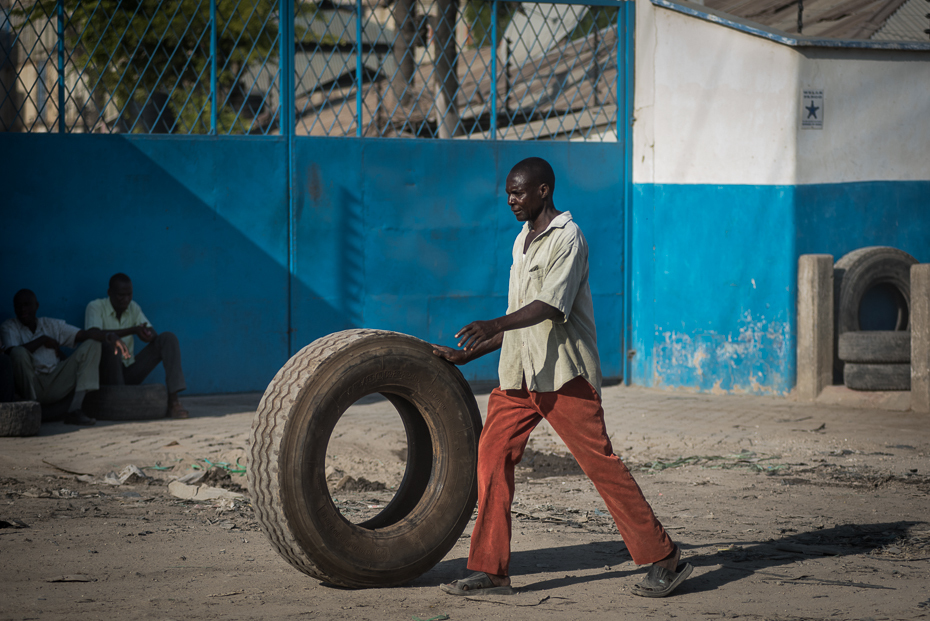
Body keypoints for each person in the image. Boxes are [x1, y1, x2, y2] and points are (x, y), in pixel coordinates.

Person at [432, 157, 692, 598]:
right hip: (518, 378)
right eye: (508, 194)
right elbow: (522, 320)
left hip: (563, 377)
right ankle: (491, 572)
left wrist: (493, 324)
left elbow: (551, 307)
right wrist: (469, 352)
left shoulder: (567, 238)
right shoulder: (522, 241)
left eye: (518, 192)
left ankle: (666, 559)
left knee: (600, 466)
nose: (511, 200)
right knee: (491, 460)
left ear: (544, 191)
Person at [0, 289, 126, 425]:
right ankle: (33, 409)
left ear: (36, 306)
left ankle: (76, 409)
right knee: (18, 353)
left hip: (55, 380)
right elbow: (10, 354)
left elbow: (83, 334)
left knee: (92, 344)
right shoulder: (9, 327)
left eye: (27, 305)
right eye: (19, 306)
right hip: (31, 384)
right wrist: (42, 340)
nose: (23, 309)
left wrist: (110, 336)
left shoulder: (50, 325)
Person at [85, 273, 189, 419]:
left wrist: (147, 334)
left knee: (167, 339)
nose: (126, 300)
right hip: (106, 373)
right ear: (110, 293)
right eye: (121, 295)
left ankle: (174, 402)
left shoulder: (133, 308)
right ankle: (119, 400)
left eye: (129, 294)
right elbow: (92, 334)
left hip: (129, 373)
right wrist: (132, 330)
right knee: (110, 345)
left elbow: (151, 331)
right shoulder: (95, 307)